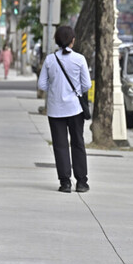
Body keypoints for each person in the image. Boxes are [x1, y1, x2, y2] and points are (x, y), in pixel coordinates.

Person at [37, 26, 92, 193]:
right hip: (75, 109)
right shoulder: (80, 59)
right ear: (73, 40)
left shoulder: (50, 60)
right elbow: (87, 85)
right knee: (78, 144)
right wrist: (74, 91)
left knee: (60, 145)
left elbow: (42, 84)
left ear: (56, 40)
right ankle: (81, 182)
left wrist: (55, 91)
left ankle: (65, 182)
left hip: (55, 110)